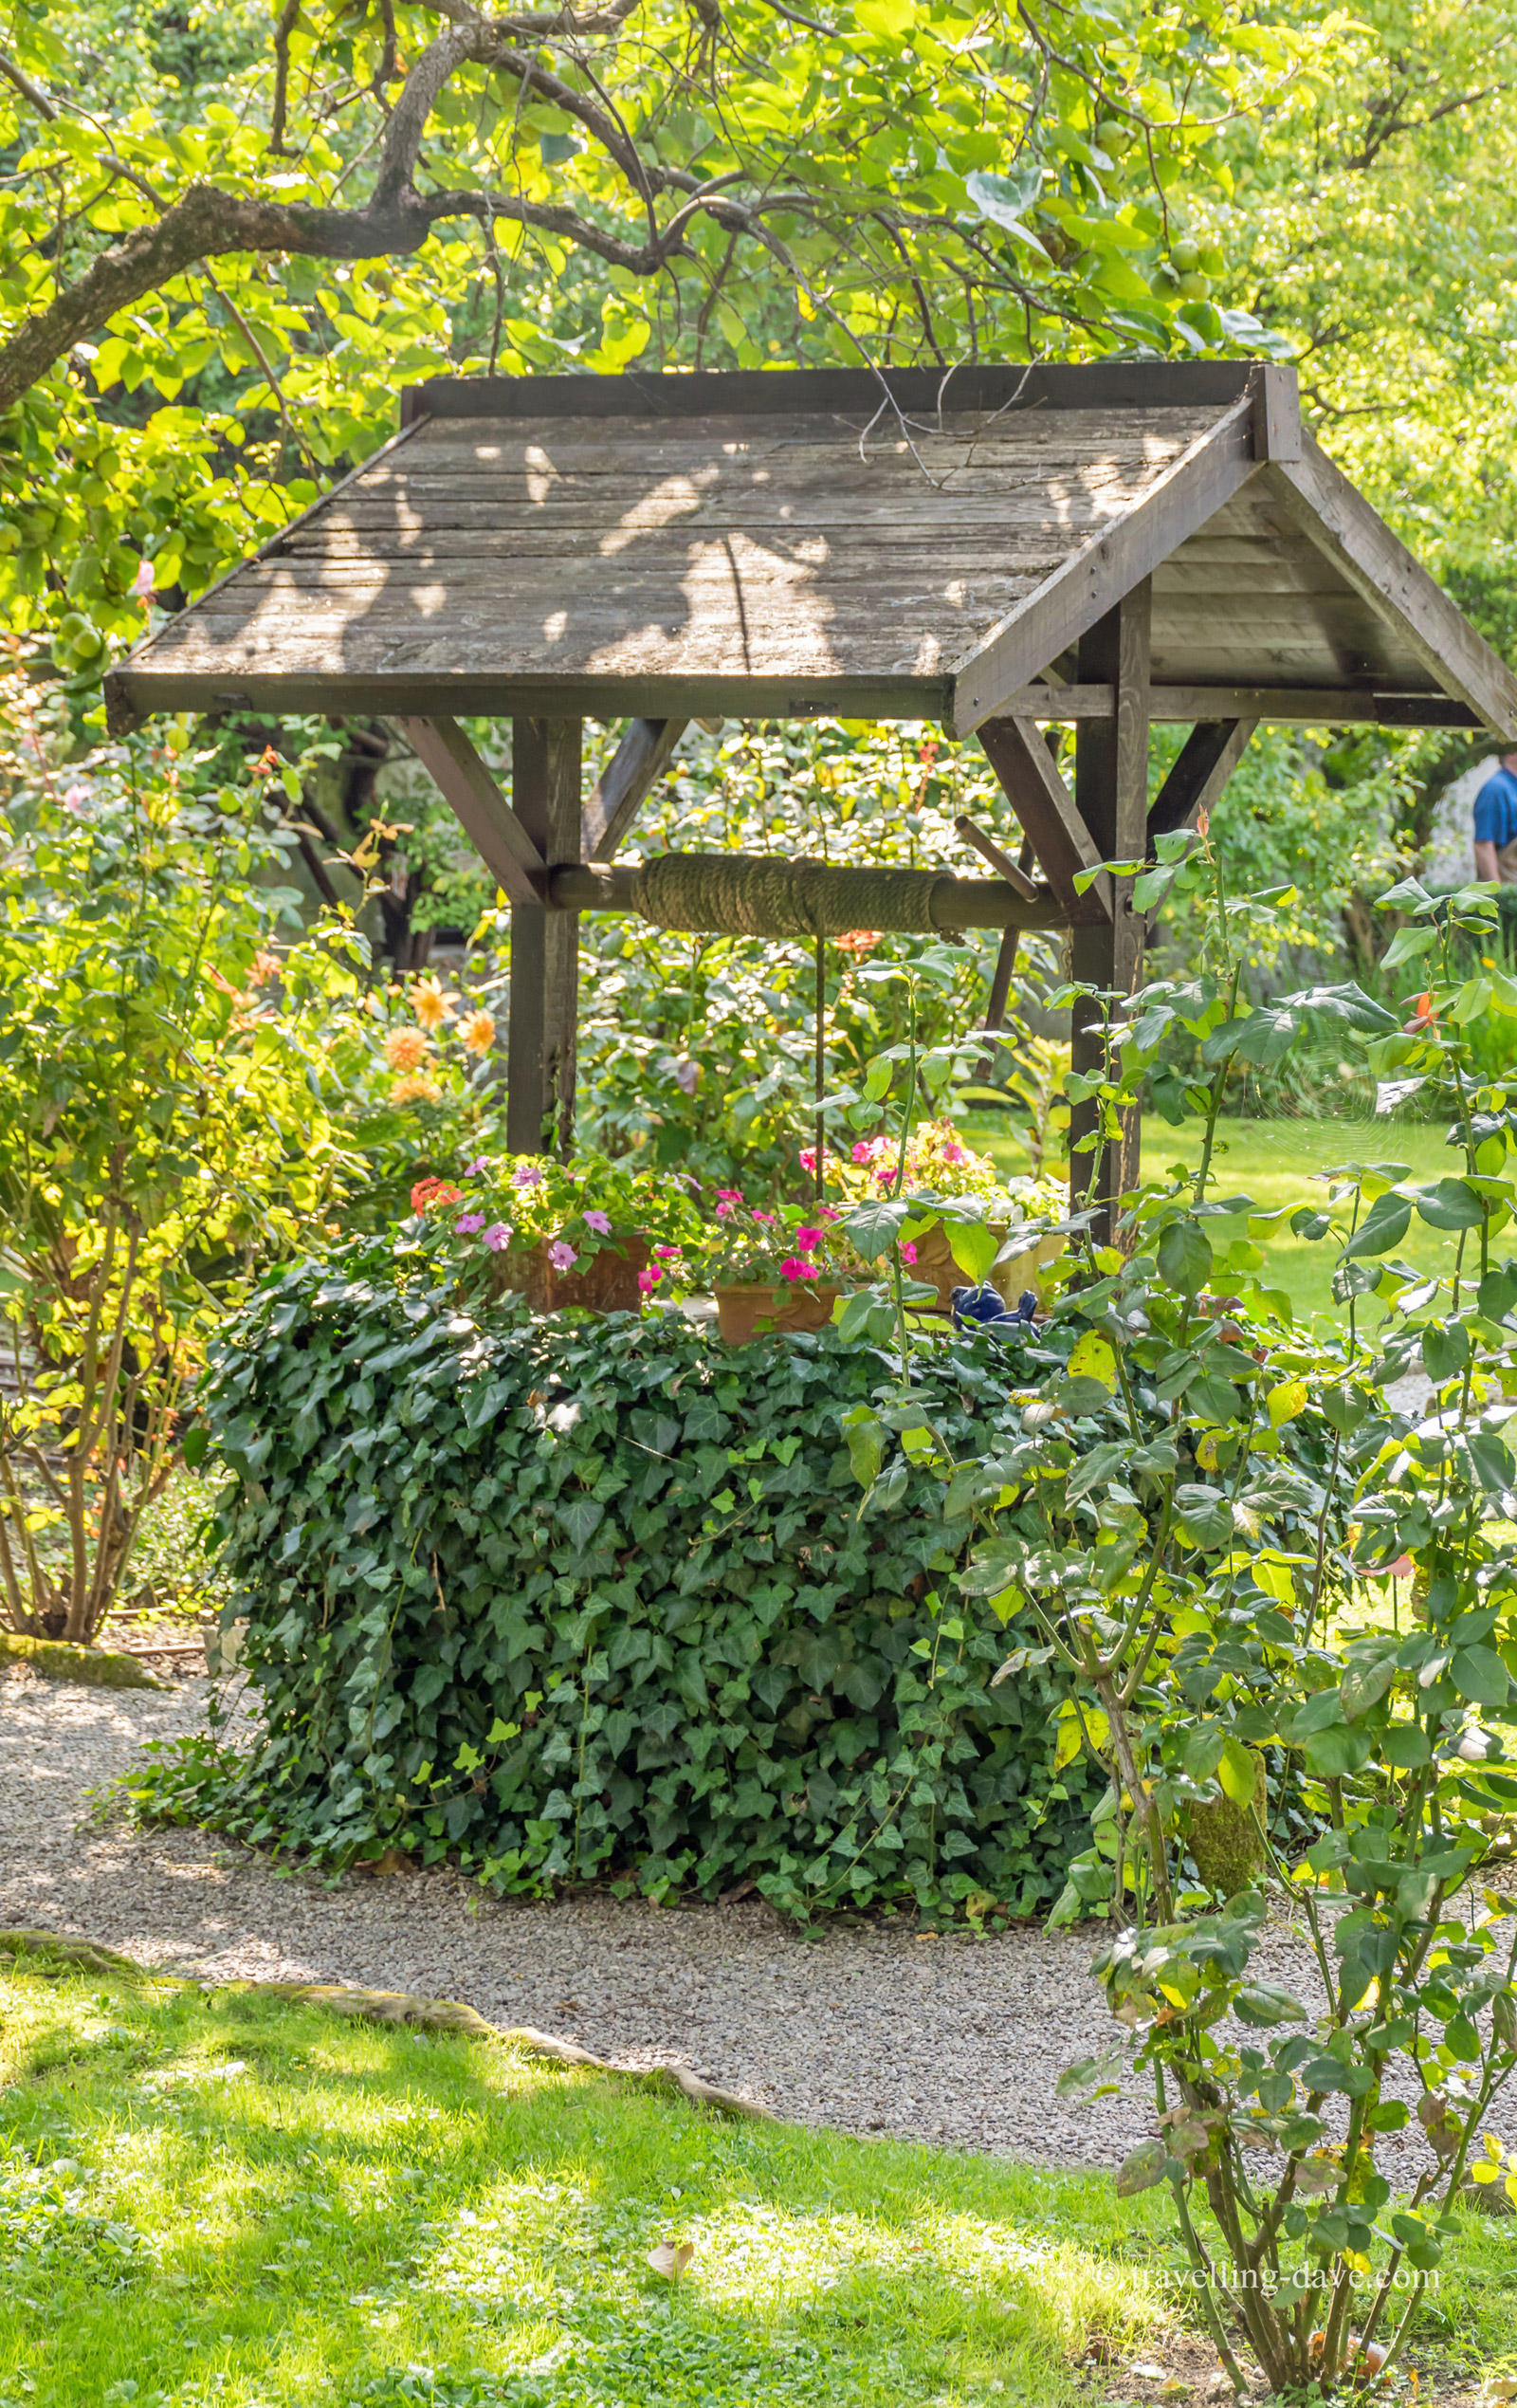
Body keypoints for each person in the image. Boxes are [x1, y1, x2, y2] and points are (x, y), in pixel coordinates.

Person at [1472, 750, 1517, 883]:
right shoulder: (1496, 789)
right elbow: (1483, 845)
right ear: (1511, 752)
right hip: (1510, 887)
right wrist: (1497, 896)